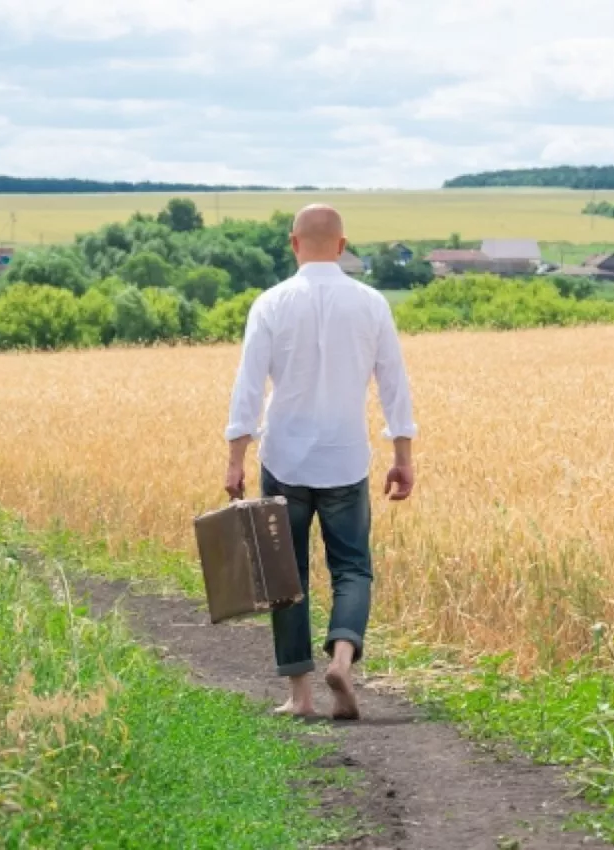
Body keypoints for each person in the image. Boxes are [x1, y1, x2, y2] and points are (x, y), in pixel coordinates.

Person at [223, 204, 416, 720]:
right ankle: (344, 659)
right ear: (341, 244)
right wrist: (403, 456)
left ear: (293, 244)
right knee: (352, 567)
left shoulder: (271, 303)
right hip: (346, 459)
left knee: (285, 576)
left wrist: (235, 457)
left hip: (284, 458)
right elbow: (394, 383)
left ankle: (301, 696)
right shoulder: (372, 303)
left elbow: (248, 386)